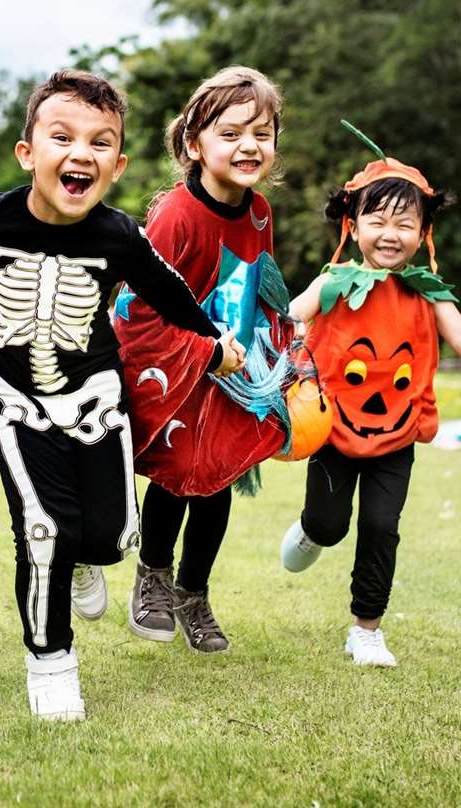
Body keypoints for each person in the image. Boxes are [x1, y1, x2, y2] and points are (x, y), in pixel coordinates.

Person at [0, 69, 245, 721]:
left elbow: (169, 294)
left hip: (97, 398)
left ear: (118, 164)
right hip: (14, 400)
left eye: (100, 142)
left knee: (104, 537)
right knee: (41, 527)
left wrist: (213, 340)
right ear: (28, 153)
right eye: (61, 136)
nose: (80, 152)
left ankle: (84, 556)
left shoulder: (117, 234)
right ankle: (50, 663)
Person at [280, 126, 461, 668]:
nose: (391, 233)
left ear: (423, 232)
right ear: (354, 225)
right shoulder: (333, 282)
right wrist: (283, 344)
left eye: (405, 223)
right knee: (330, 525)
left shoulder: (428, 294)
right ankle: (312, 530)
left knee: (381, 528)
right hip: (332, 431)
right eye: (378, 220)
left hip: (396, 434)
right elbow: (287, 318)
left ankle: (366, 628)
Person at [113, 66, 294, 654]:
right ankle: (154, 576)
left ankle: (194, 593)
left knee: (217, 482)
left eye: (262, 134)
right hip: (177, 370)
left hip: (232, 374)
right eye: (232, 133)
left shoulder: (260, 212)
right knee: (177, 475)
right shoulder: (175, 216)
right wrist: (203, 351)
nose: (249, 146)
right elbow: (140, 307)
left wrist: (278, 352)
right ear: (194, 143)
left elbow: (258, 285)